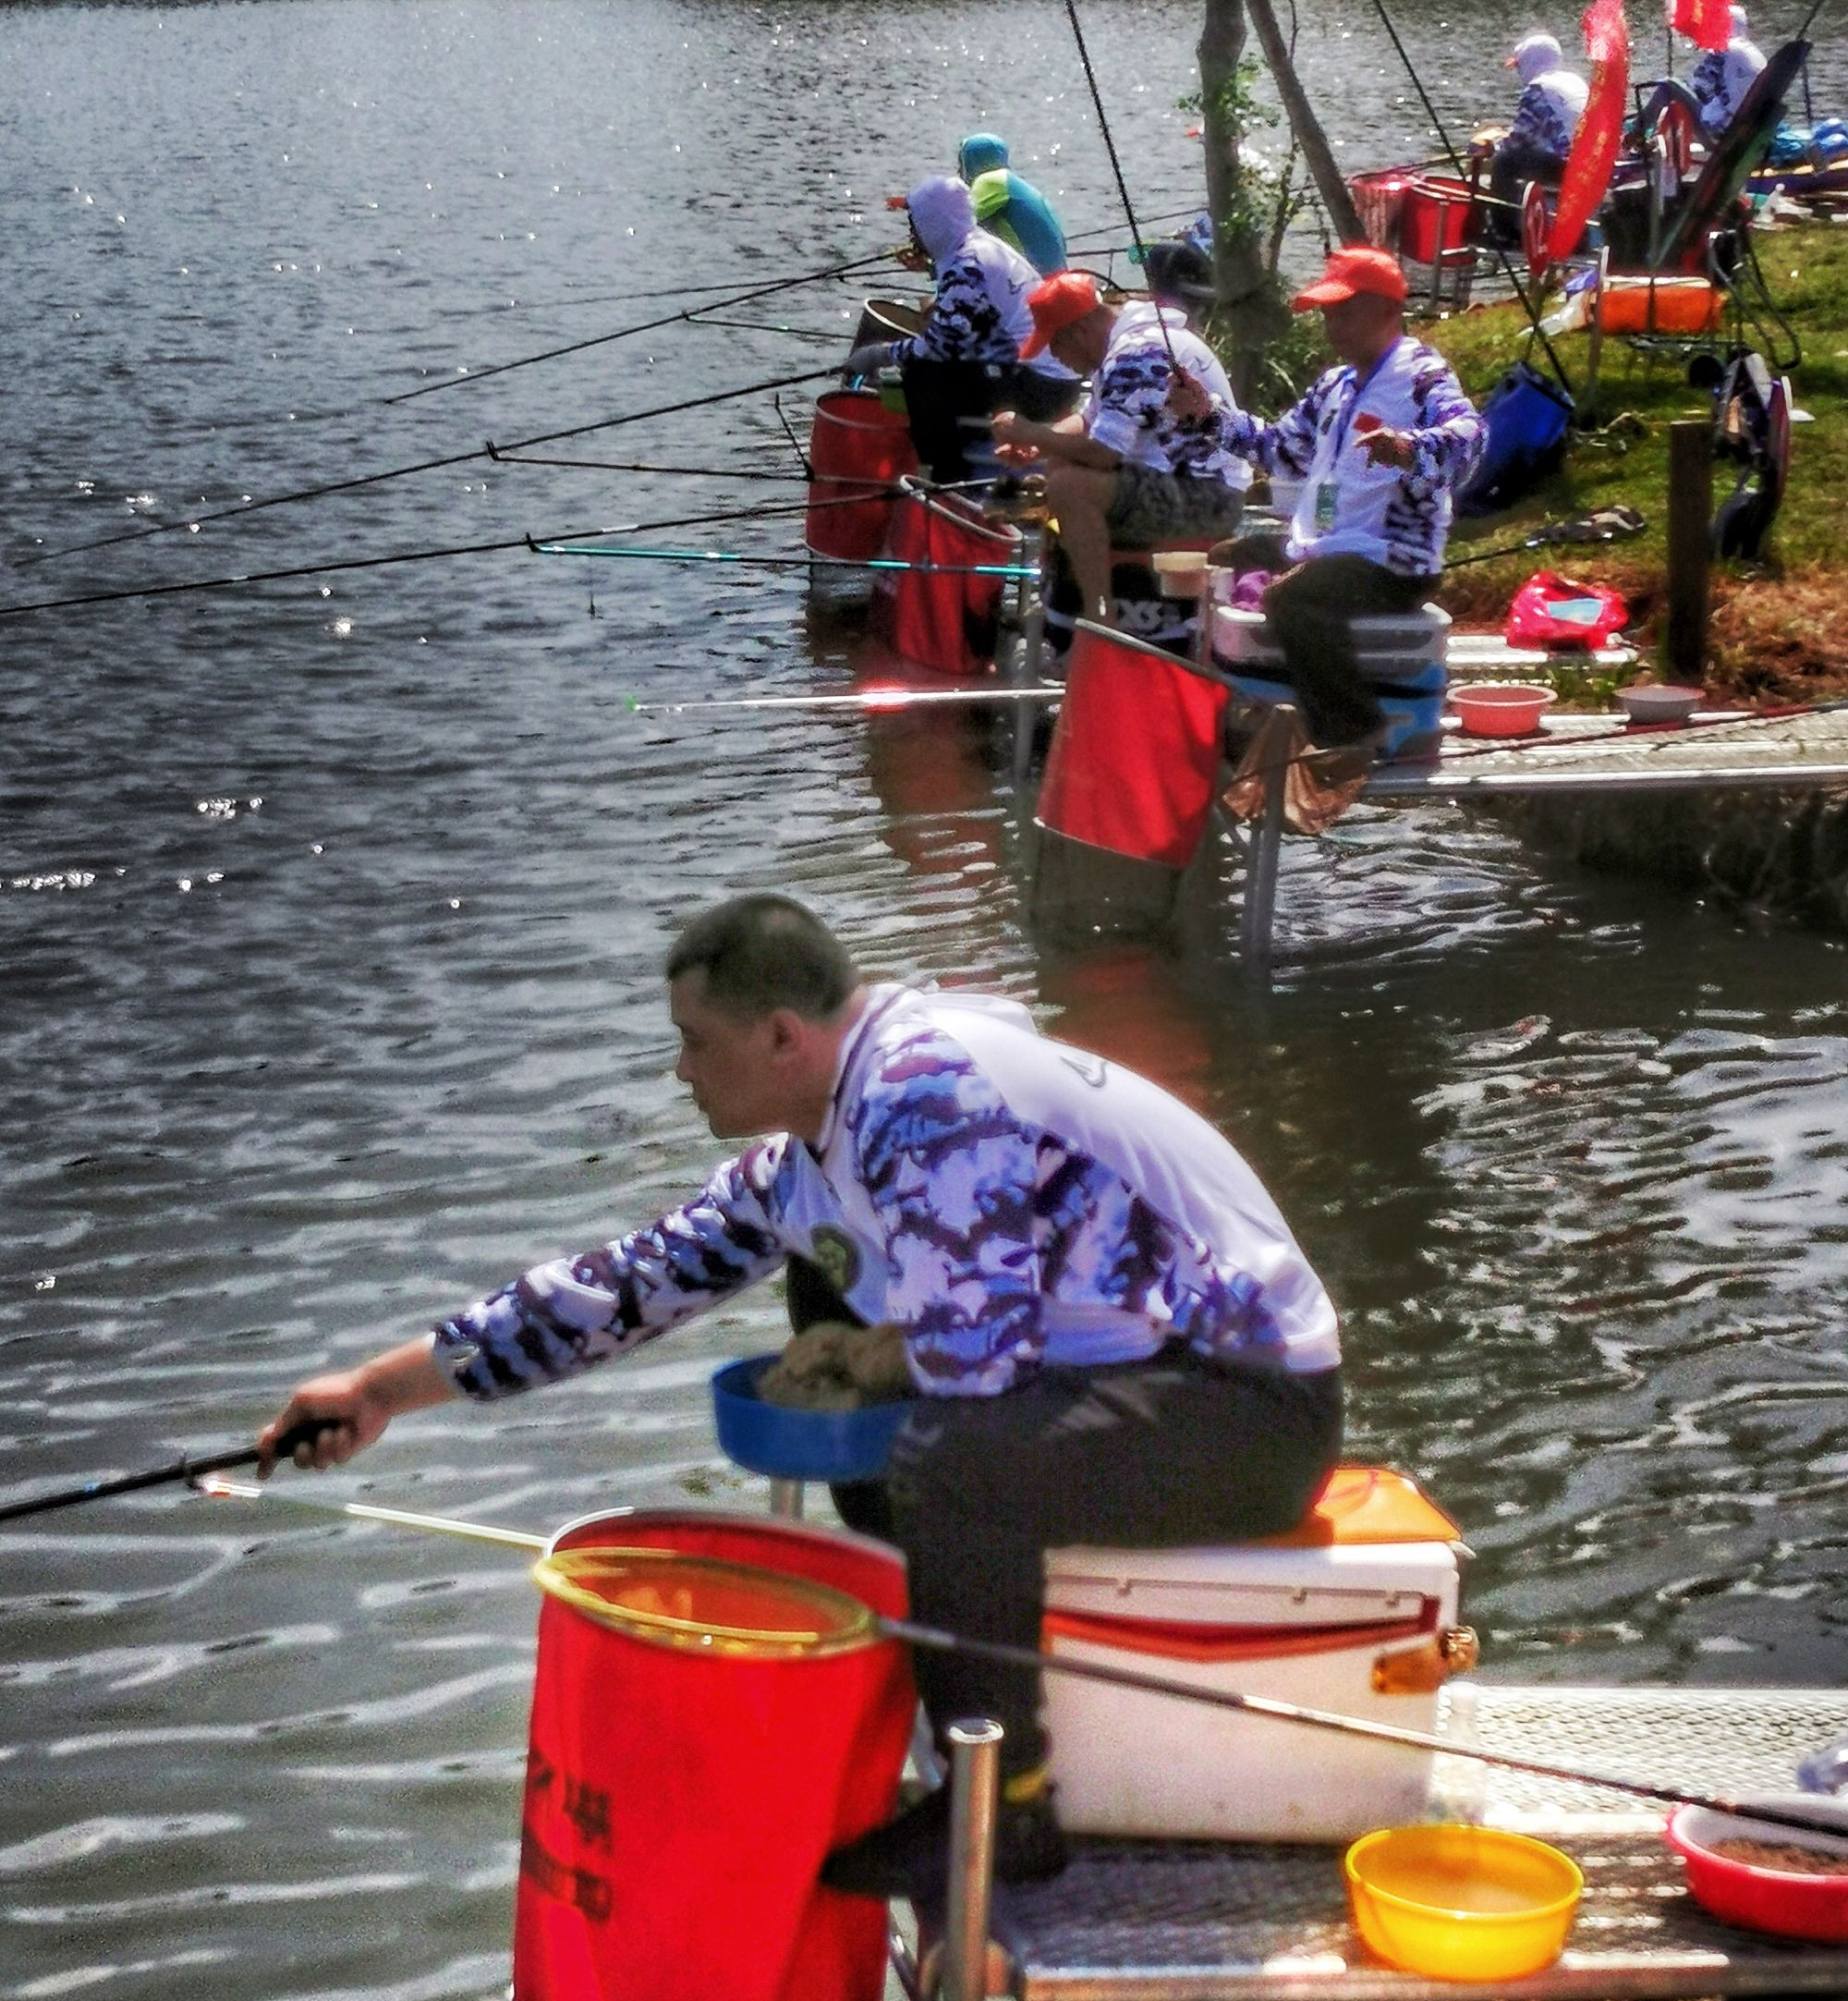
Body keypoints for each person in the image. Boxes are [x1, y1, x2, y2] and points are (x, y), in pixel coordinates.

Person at [260, 894, 1344, 1903]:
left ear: (783, 1036)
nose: (679, 1069)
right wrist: (379, 1391)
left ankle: (1003, 1803)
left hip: (1246, 1401)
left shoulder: (924, 1092)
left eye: (695, 1040)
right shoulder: (810, 1151)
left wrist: (865, 1360)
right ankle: (943, 1667)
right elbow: (622, 1288)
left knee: (944, 1456)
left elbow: (974, 1365)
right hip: (1123, 1373)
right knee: (825, 1277)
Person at [1176, 244, 1482, 764]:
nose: (1331, 324)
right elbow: (1281, 449)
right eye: (1327, 312)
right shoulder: (1334, 386)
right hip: (1324, 547)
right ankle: (1243, 703)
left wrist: (1409, 448)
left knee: (1291, 600)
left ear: (1388, 310)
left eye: (1344, 310)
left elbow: (1469, 439)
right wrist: (1208, 415)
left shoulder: (1421, 374)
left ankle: (1352, 731)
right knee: (1227, 556)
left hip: (1392, 560)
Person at [986, 269, 1251, 628]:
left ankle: (1099, 619)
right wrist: (1037, 447)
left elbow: (1103, 454)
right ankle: (1072, 602)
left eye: (1055, 346)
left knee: (1070, 487)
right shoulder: (1121, 347)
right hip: (1181, 483)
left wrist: (1032, 432)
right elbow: (1089, 420)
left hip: (1209, 497)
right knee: (1061, 465)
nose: (1056, 358)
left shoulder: (1135, 354)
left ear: (1078, 332)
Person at [839, 176, 1069, 483]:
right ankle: (959, 458)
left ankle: (945, 482)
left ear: (934, 224)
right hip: (1049, 378)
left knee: (923, 380)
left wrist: (879, 354)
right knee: (937, 373)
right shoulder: (977, 245)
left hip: (1040, 385)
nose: (912, 232)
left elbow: (941, 347)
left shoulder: (966, 264)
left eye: (915, 223)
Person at [1487, 31, 1589, 243]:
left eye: (1519, 66)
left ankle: (1505, 232)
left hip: (1568, 166)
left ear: (1530, 62)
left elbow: (1517, 141)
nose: (1519, 72)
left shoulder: (1537, 89)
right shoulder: (1575, 81)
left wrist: (1491, 149)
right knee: (1527, 159)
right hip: (1589, 163)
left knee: (1503, 163)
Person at [956, 131, 1068, 275]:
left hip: (1035, 280)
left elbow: (959, 225)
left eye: (961, 161)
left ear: (972, 160)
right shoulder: (1013, 184)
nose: (959, 170)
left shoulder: (991, 181)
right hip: (1057, 277)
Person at [1690, 4, 1766, 140]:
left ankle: (1639, 134)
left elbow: (1698, 84)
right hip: (1750, 119)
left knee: (1668, 86)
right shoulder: (1753, 52)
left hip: (1724, 124)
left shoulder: (1724, 47)